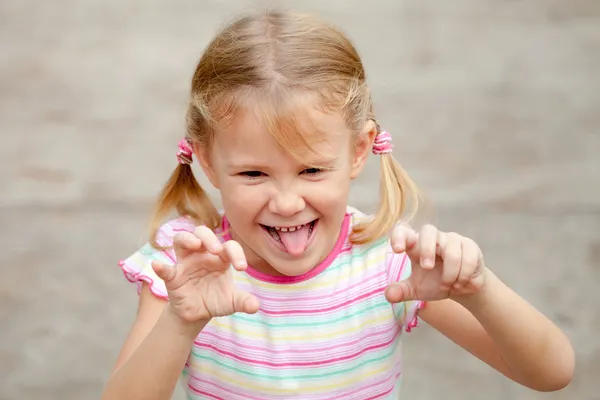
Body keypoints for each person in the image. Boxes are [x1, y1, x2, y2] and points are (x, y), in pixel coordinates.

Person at [101, 10, 574, 400]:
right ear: (206, 160)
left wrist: (479, 291)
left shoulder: (387, 263)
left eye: (311, 170)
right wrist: (180, 324)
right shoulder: (186, 268)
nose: (286, 203)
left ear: (359, 150)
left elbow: (550, 372)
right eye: (253, 174)